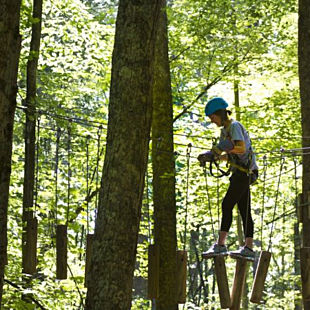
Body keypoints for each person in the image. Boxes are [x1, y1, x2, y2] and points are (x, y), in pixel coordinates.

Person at [198, 97, 258, 261]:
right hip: (240, 172)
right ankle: (248, 247)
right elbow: (230, 154)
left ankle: (221, 245)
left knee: (227, 204)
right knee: (244, 209)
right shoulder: (224, 131)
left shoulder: (234, 126)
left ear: (219, 114)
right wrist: (213, 157)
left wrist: (220, 148)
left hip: (245, 172)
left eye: (212, 117)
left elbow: (240, 148)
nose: (211, 120)